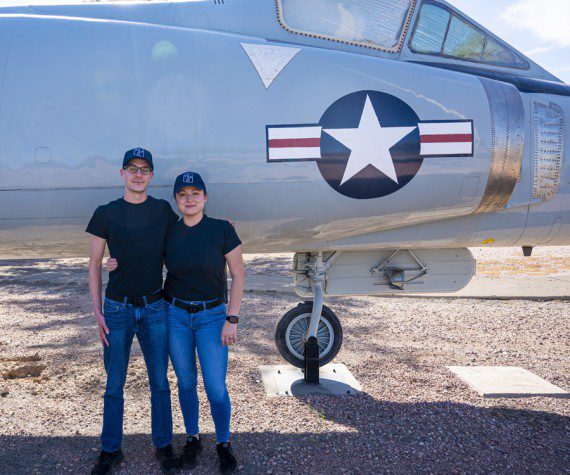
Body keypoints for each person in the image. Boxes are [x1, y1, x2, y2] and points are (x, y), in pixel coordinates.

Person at [108, 171, 245, 474]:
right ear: (177, 201)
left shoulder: (223, 230)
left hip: (212, 317)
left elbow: (238, 275)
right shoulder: (170, 231)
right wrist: (113, 261)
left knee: (215, 386)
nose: (190, 199)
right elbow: (140, 251)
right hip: (176, 315)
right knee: (185, 382)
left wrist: (231, 319)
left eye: (196, 193)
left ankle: (223, 442)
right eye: (183, 194)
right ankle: (193, 438)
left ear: (205, 197)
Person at [86, 148, 180, 475]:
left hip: (154, 307)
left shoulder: (163, 211)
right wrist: (97, 311)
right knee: (114, 384)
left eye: (144, 169)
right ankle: (111, 450)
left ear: (151, 175)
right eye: (132, 168)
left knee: (159, 381)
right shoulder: (105, 213)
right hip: (116, 310)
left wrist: (220, 230)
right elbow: (95, 264)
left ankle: (164, 445)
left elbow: (180, 244)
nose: (138, 174)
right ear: (122, 173)